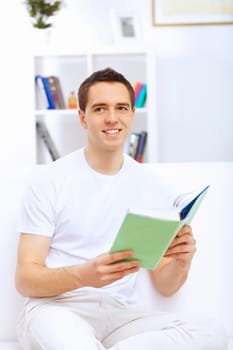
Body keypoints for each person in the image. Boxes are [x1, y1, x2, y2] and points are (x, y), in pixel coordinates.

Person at [15, 67, 227, 350]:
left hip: (120, 316)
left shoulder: (153, 186)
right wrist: (83, 275)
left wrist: (182, 260)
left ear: (131, 115)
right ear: (83, 117)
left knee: (212, 333)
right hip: (58, 308)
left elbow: (165, 285)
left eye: (121, 108)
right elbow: (25, 279)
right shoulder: (50, 181)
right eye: (100, 108)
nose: (112, 118)